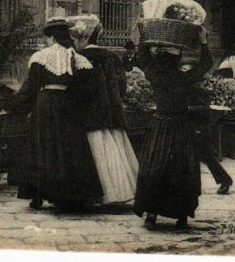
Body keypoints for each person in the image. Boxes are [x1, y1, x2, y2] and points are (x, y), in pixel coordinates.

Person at [14, 17, 105, 210]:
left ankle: (38, 196)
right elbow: (89, 90)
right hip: (67, 106)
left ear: (52, 37)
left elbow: (31, 87)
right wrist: (74, 100)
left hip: (45, 103)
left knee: (42, 146)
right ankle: (68, 196)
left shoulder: (40, 57)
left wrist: (18, 107)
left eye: (48, 37)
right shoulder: (80, 59)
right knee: (68, 148)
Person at [134, 26, 212, 231]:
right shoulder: (183, 77)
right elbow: (206, 63)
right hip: (180, 127)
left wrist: (145, 35)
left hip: (160, 124)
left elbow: (141, 56)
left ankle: (151, 214)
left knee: (154, 167)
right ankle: (182, 216)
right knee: (182, 168)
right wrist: (203, 40)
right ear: (176, 61)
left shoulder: (154, 76)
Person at [68, 15, 139, 206]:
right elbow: (122, 86)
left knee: (95, 151)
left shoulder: (80, 58)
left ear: (83, 38)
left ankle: (98, 193)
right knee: (113, 150)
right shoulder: (112, 57)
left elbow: (77, 89)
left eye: (75, 39)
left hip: (89, 113)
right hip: (112, 112)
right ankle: (119, 191)